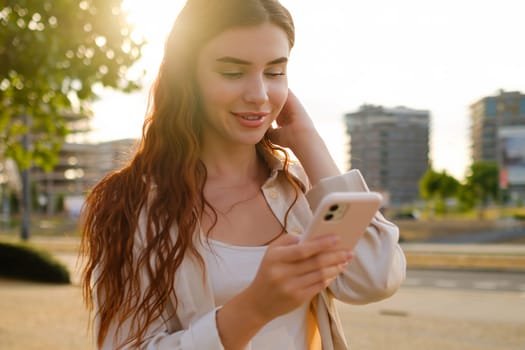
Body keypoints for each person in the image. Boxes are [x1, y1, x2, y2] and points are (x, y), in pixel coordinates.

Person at [80, 0, 406, 349]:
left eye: (275, 72)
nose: (259, 95)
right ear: (186, 78)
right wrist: (254, 307)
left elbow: (375, 278)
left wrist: (309, 143)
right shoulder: (132, 203)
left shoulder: (299, 187)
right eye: (233, 73)